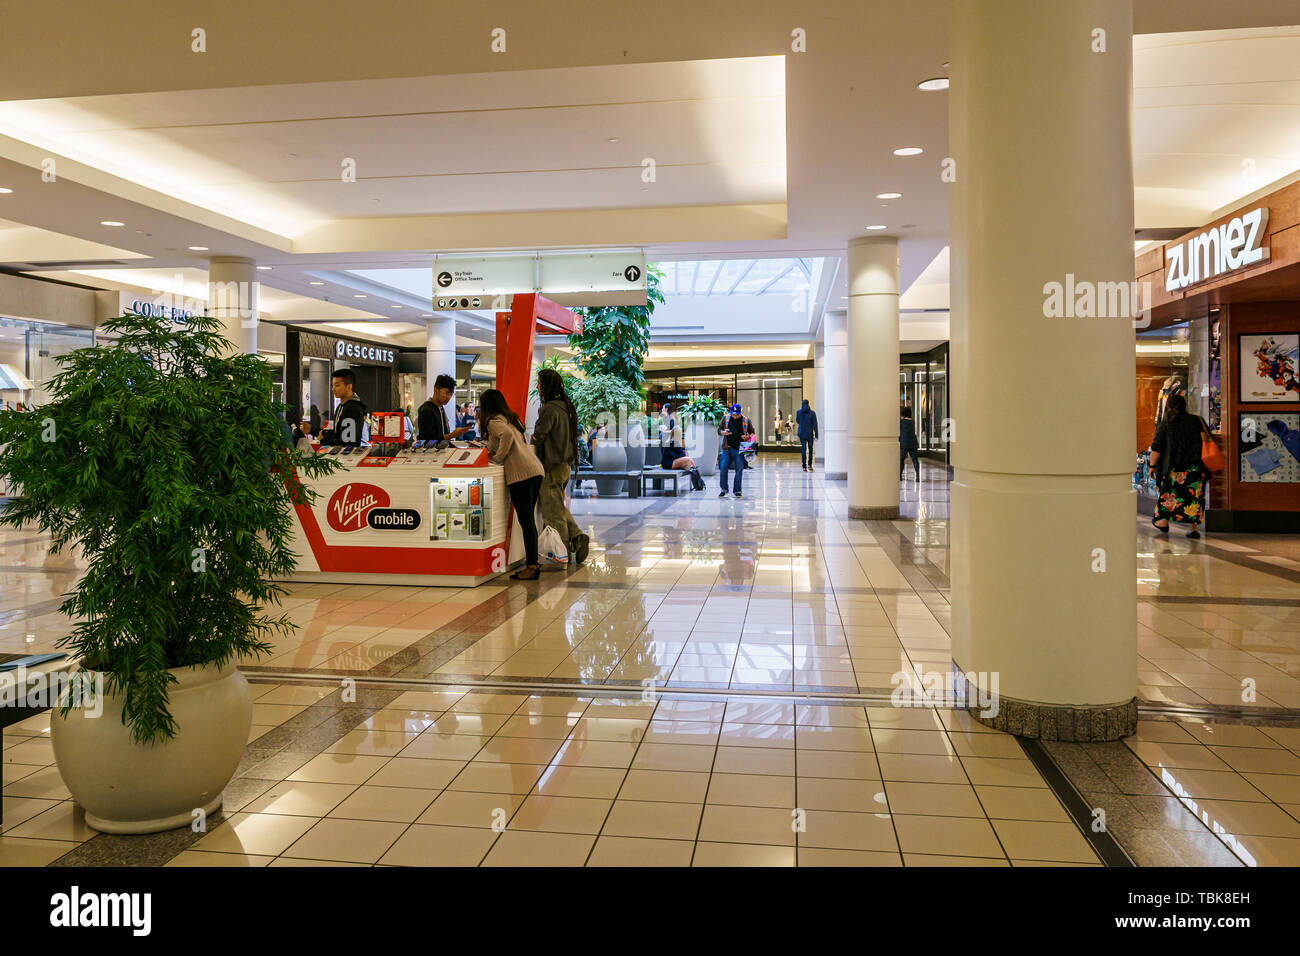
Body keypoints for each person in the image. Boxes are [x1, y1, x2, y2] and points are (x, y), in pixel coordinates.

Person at [480, 388, 546, 579]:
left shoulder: (493, 422)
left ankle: (532, 567)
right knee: (528, 521)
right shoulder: (509, 418)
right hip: (534, 469)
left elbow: (506, 437)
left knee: (526, 521)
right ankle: (533, 564)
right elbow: (500, 440)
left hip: (521, 474)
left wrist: (498, 458)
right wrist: (488, 450)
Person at [532, 368, 589, 563]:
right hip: (565, 466)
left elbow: (539, 436)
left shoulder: (549, 409)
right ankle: (578, 537)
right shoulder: (565, 406)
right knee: (557, 506)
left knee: (553, 513)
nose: (538, 387)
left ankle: (561, 555)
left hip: (551, 467)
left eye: (540, 383)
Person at [1149, 393, 1207, 539]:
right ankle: (1193, 527)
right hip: (1194, 468)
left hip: (1172, 470)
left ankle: (1163, 521)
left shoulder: (1166, 424)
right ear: (1184, 406)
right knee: (1192, 498)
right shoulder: (1196, 421)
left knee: (1169, 495)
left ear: (1168, 406)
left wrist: (1152, 466)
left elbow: (1156, 448)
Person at [657, 403, 704, 490]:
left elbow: (676, 451)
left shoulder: (667, 437)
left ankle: (698, 483)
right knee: (689, 460)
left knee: (689, 463)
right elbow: (677, 452)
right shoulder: (670, 439)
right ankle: (698, 483)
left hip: (669, 461)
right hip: (668, 462)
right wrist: (684, 455)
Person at [417, 373, 470, 443]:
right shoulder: (427, 410)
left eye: (451, 394)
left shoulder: (440, 408)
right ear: (436, 390)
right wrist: (452, 435)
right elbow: (428, 440)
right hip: (430, 453)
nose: (449, 397)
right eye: (447, 393)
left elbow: (442, 434)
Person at [320, 369, 366, 446]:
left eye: (337, 385)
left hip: (347, 455)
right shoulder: (341, 406)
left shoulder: (352, 407)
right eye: (333, 385)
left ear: (349, 387)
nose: (333, 389)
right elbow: (338, 433)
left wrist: (323, 441)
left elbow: (348, 440)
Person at [718, 403, 748, 499]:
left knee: (739, 470)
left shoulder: (745, 420)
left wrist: (747, 436)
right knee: (723, 468)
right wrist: (723, 432)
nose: (734, 416)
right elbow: (719, 429)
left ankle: (737, 491)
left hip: (739, 450)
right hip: (727, 448)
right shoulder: (726, 418)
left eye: (737, 414)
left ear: (740, 413)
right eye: (733, 414)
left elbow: (752, 432)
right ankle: (724, 489)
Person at [796, 399, 818, 472]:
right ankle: (810, 465)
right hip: (809, 433)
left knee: (803, 449)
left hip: (802, 433)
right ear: (808, 404)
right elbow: (815, 424)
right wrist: (816, 435)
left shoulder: (798, 412)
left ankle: (804, 467)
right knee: (810, 449)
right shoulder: (812, 413)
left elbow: (797, 421)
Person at [900, 406, 921, 482]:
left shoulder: (901, 422)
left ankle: (900, 476)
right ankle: (918, 476)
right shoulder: (912, 421)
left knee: (901, 459)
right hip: (913, 442)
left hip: (904, 443)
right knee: (915, 459)